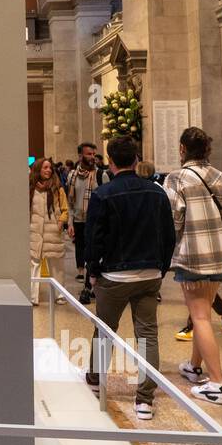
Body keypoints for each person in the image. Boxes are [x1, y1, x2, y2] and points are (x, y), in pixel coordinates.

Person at [81, 136, 175, 421]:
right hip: (149, 273)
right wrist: (162, 267)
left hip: (114, 274)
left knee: (105, 330)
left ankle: (97, 380)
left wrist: (93, 273)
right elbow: (169, 235)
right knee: (147, 334)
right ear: (136, 159)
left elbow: (93, 238)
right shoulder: (157, 193)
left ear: (109, 161)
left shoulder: (103, 194)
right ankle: (144, 399)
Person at [163, 127, 222, 406]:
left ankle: (216, 384)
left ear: (182, 149)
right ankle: (193, 366)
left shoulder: (177, 178)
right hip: (220, 254)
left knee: (200, 317)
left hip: (193, 254)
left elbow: (174, 219)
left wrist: (166, 249)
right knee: (202, 312)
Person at [65, 142, 109, 303]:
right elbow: (70, 201)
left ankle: (88, 287)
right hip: (78, 219)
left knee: (92, 253)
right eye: (89, 154)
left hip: (95, 220)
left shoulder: (101, 175)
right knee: (81, 249)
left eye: (93, 154)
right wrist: (70, 222)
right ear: (80, 156)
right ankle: (87, 280)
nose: (92, 157)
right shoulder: (72, 176)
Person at [28, 157, 70, 305]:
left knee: (56, 265)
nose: (48, 170)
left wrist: (60, 222)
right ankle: (33, 296)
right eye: (45, 167)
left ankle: (59, 294)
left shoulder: (57, 188)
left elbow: (65, 209)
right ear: (38, 169)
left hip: (53, 231)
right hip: (34, 231)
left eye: (50, 168)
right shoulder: (31, 188)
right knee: (34, 263)